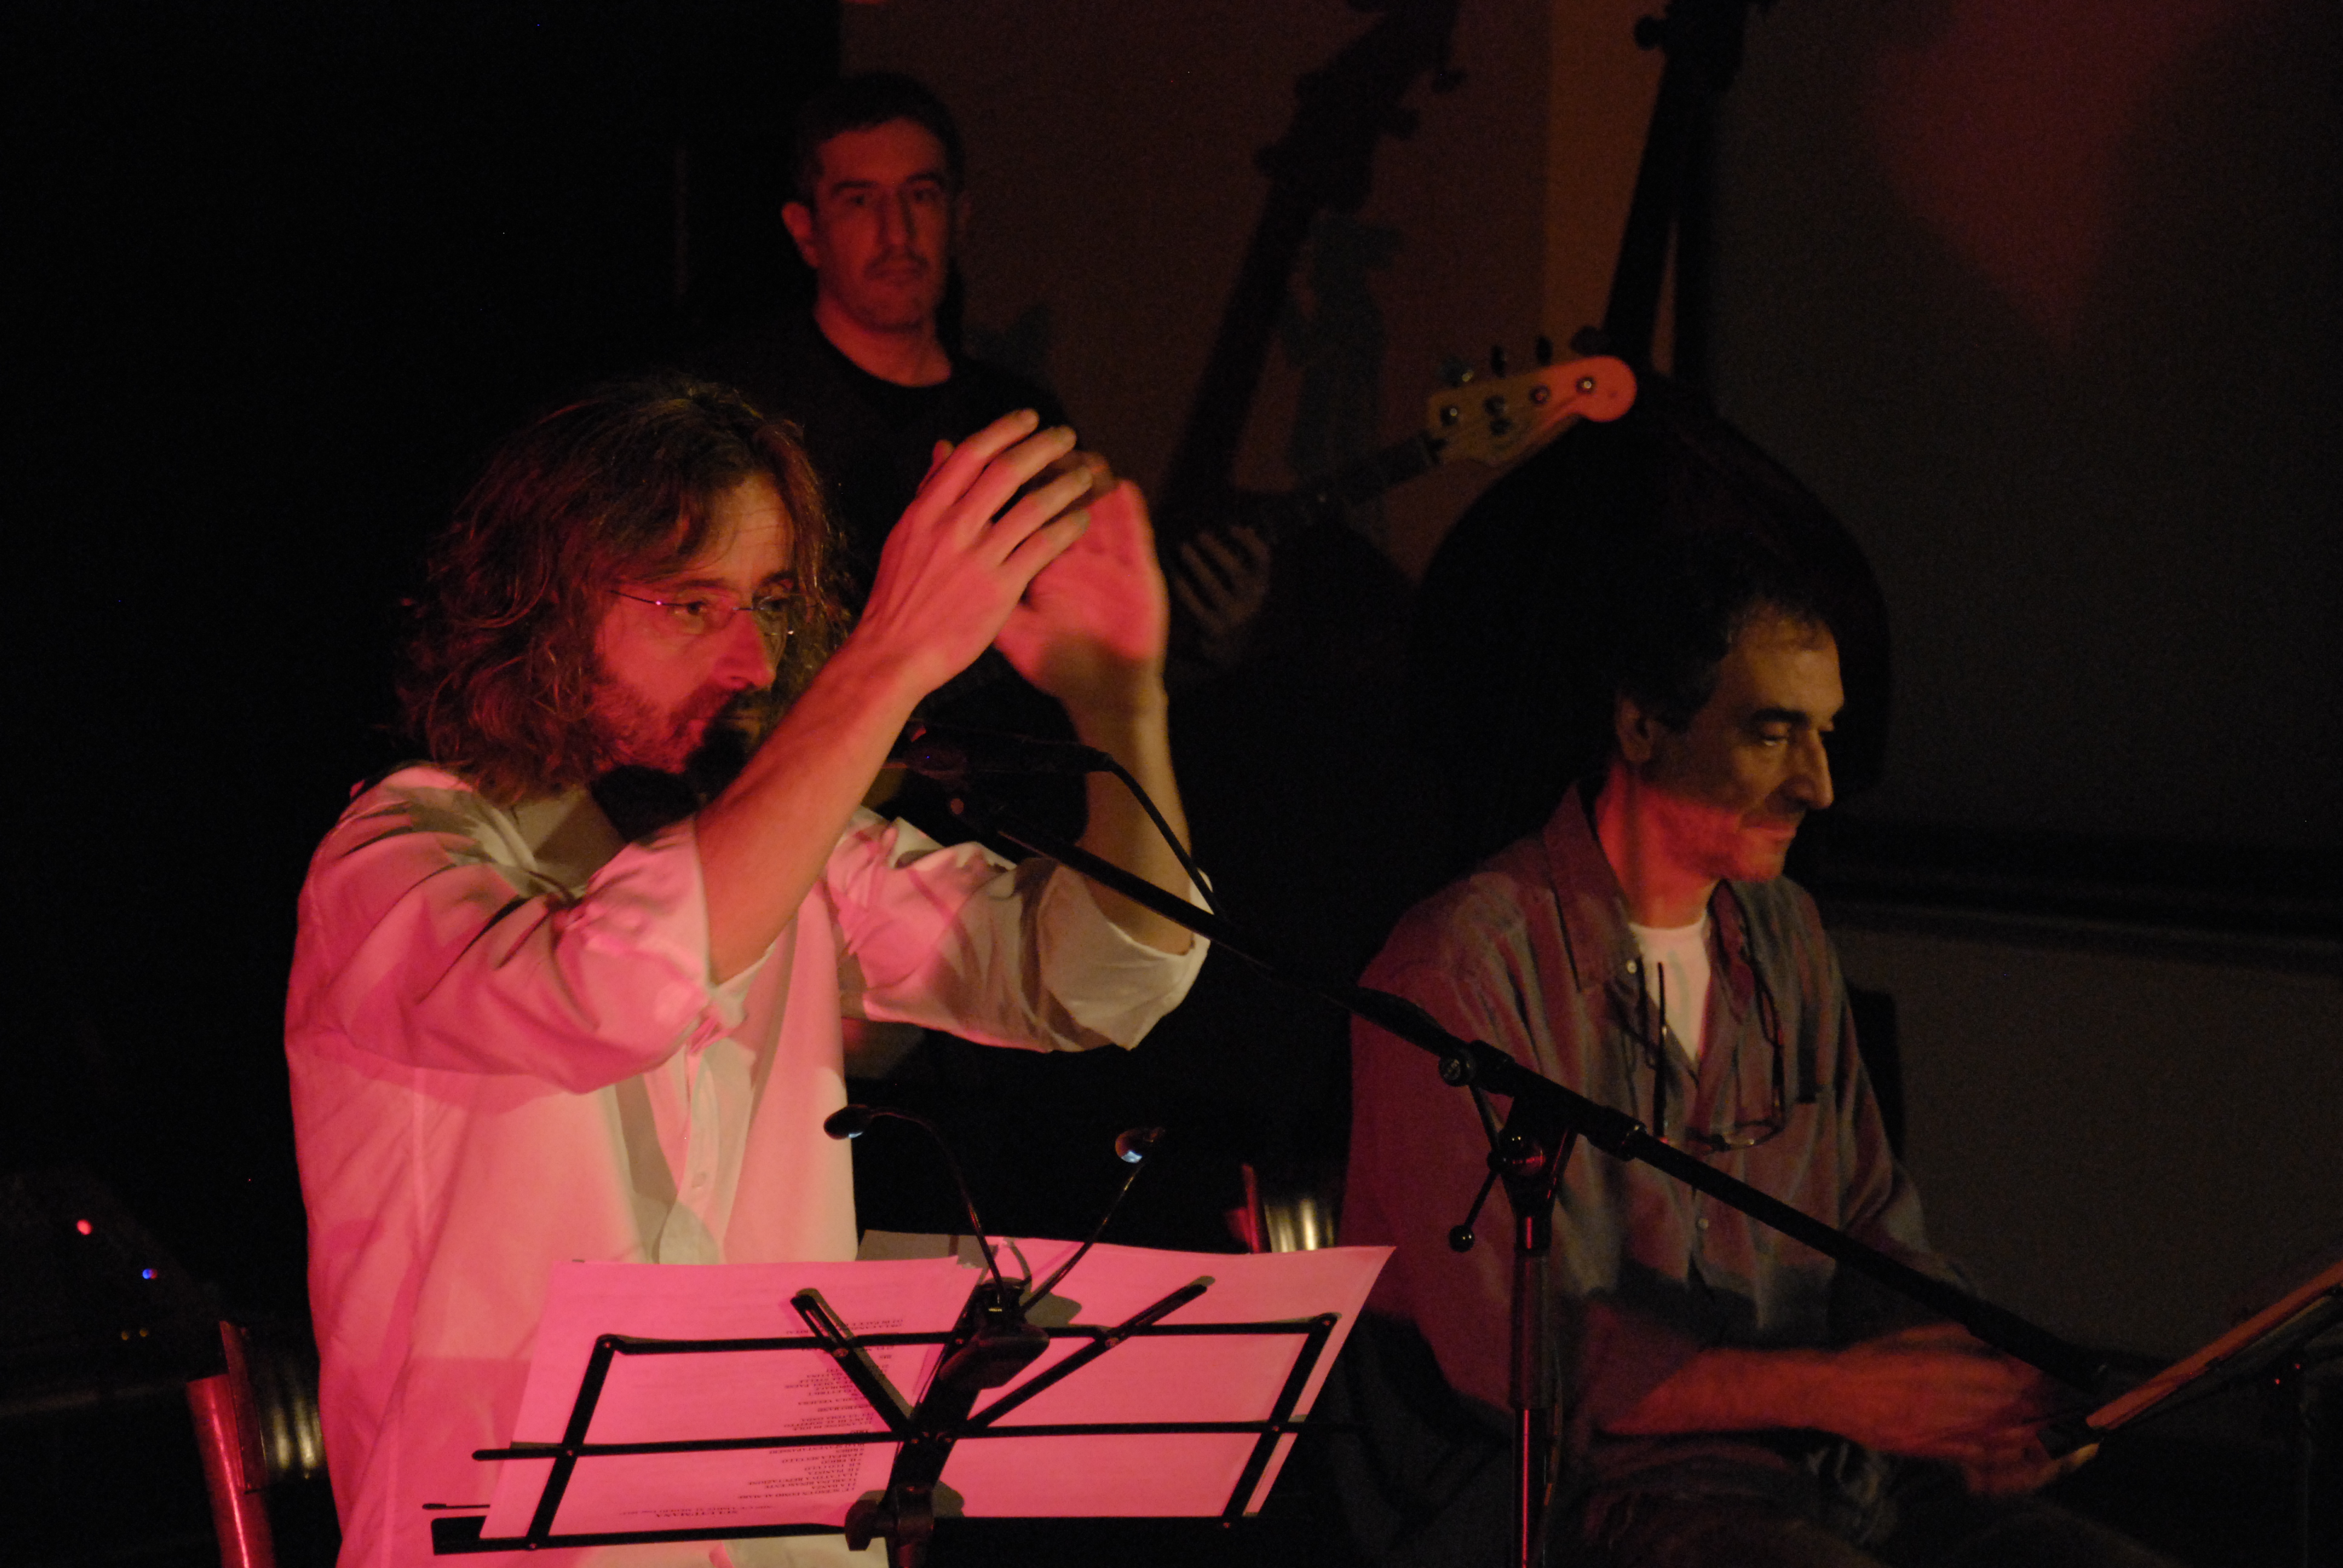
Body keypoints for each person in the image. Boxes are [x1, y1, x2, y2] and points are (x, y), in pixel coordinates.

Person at [284, 376, 1204, 1565]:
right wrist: (889, 660)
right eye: (691, 604)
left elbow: (1093, 978)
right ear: (541, 609)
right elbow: (609, 995)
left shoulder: (784, 844)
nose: (755, 663)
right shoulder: (393, 864)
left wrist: (1120, 703)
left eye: (771, 603)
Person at [1340, 495, 2170, 1564]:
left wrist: (1974, 1392)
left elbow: (1870, 1228)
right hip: (1600, 1503)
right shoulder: (1460, 970)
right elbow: (1518, 1354)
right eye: (1773, 733)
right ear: (1641, 726)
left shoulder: (1783, 934)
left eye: (1826, 734)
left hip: (1837, 1474)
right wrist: (1835, 1392)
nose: (1818, 784)